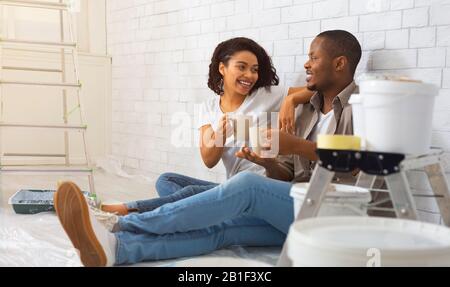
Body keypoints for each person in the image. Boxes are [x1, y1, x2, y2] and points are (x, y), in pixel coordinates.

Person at [54, 30, 362, 266]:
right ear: (221, 69)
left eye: (313, 57)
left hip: (329, 215)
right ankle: (117, 249)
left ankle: (119, 222)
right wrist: (266, 161)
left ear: (339, 63)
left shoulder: (360, 106)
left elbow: (363, 161)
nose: (306, 64)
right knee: (222, 229)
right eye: (241, 67)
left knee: (245, 188)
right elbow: (287, 175)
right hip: (292, 210)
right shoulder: (307, 111)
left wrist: (295, 140)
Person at [102, 37, 313, 216]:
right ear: (222, 68)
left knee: (192, 192)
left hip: (261, 184)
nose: (250, 75)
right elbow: (209, 161)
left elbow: (316, 89)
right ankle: (209, 207)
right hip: (233, 186)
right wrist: (219, 135)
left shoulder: (267, 94)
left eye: (254, 70)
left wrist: (290, 101)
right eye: (242, 67)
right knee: (167, 180)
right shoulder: (208, 108)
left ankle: (131, 210)